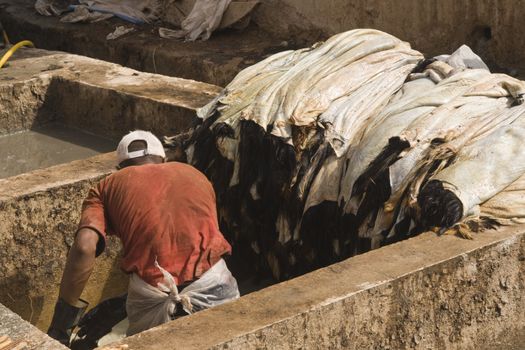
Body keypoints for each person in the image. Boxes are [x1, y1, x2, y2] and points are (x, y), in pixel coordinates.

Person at [47, 130, 239, 346]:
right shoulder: (195, 174)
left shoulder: (107, 186)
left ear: (120, 167)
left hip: (151, 294)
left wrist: (60, 326)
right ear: (163, 159)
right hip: (215, 284)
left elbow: (84, 247)